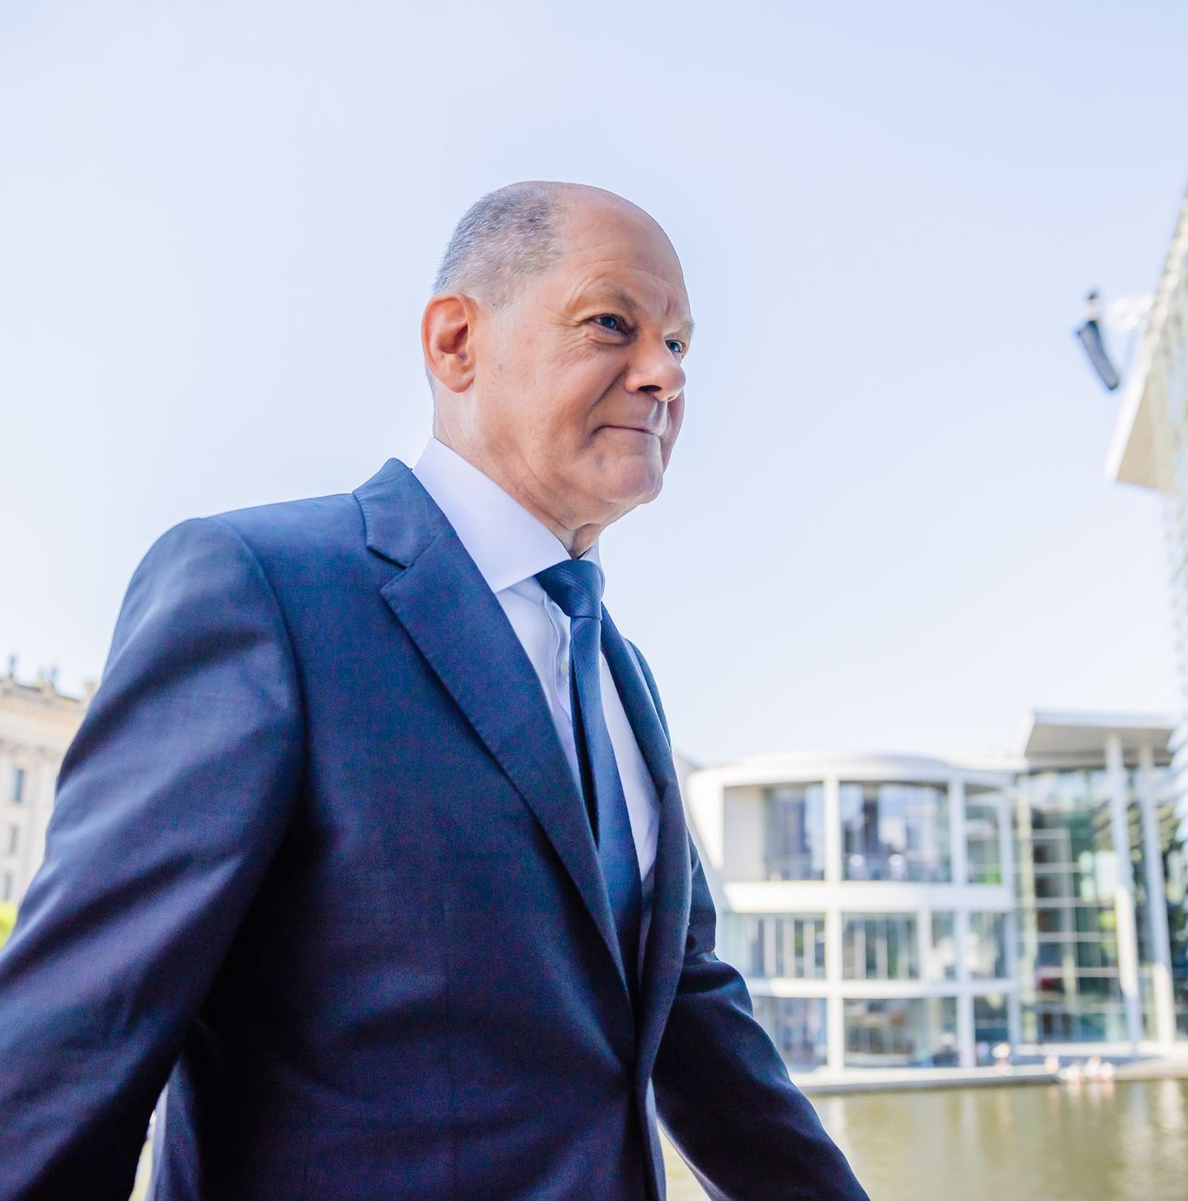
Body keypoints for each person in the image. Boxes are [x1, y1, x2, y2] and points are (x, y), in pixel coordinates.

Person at [0, 181, 867, 1199]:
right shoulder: (261, 589)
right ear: (457, 342)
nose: (665, 373)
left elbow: (694, 1019)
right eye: (612, 323)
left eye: (679, 343)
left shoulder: (621, 672)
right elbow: (68, 1059)